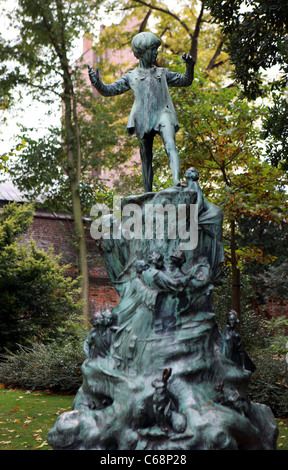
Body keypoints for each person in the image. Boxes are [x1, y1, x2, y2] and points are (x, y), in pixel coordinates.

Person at [88, 31, 195, 192]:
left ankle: (176, 182)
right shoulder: (131, 76)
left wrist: (189, 66)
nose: (156, 52)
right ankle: (147, 193)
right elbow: (110, 90)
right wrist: (97, 84)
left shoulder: (162, 73)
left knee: (170, 143)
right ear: (142, 52)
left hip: (163, 113)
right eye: (153, 49)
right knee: (146, 156)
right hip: (143, 116)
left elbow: (186, 81)